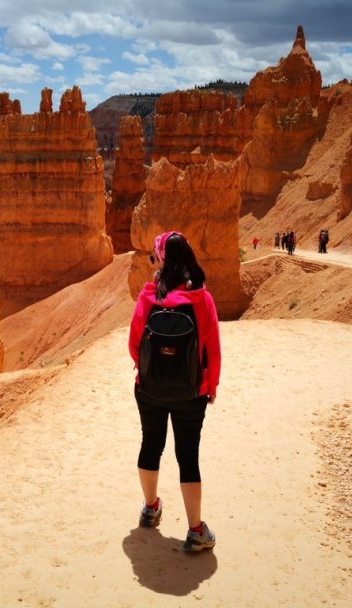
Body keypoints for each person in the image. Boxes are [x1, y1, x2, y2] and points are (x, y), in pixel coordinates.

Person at [129, 231, 221, 552]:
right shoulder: (202, 299)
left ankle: (150, 507)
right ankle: (196, 531)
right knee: (188, 455)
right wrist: (211, 385)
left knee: (151, 444)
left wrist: (150, 371)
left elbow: (134, 345)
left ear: (162, 260)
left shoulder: (149, 297)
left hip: (149, 389)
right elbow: (212, 350)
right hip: (191, 392)